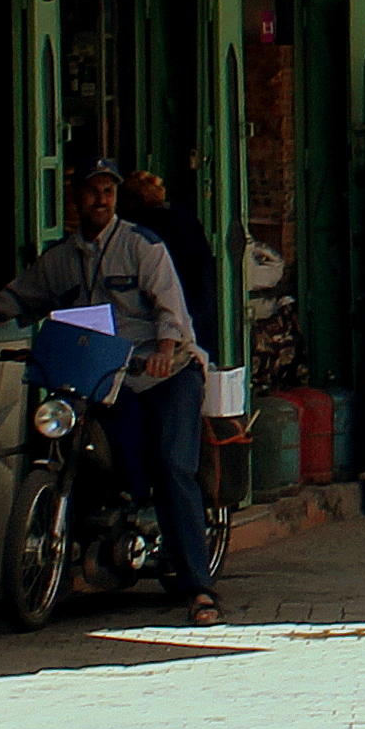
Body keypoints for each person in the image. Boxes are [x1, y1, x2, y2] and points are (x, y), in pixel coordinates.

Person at [1, 156, 218, 622]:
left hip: (162, 373)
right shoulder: (60, 259)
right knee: (69, 441)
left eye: (108, 192)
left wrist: (163, 349)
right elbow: (20, 296)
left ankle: (199, 588)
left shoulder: (144, 246)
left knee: (171, 464)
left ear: (116, 199)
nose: (100, 200)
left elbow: (170, 310)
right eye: (91, 191)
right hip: (100, 377)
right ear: (75, 198)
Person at [121, 154, 247, 491]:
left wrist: (170, 340)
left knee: (173, 454)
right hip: (194, 320)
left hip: (174, 336)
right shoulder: (181, 220)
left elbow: (168, 299)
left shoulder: (144, 237)